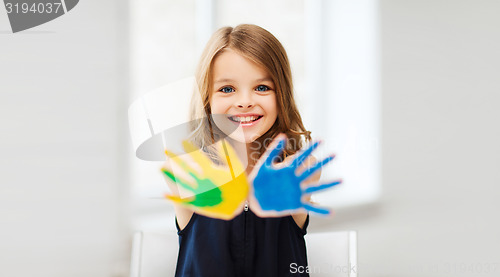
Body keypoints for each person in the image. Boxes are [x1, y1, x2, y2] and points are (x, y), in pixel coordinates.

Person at [167, 24, 321, 277]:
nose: (244, 101)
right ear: (207, 99)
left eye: (262, 88)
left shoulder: (302, 168)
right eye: (227, 89)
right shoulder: (186, 169)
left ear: (281, 95)